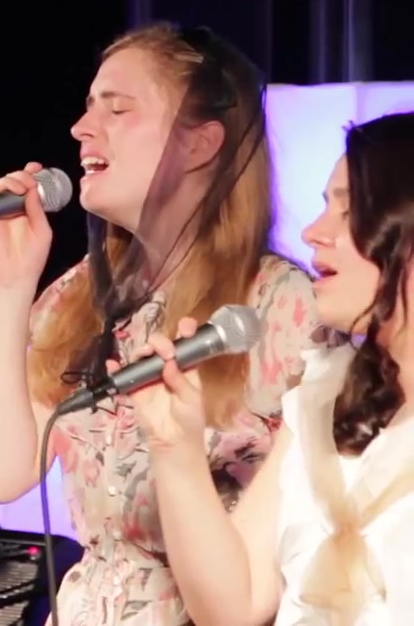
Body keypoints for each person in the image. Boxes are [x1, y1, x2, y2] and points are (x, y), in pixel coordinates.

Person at [0, 22, 342, 624]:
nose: (81, 128)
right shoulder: (76, 298)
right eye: (89, 106)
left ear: (200, 144)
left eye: (117, 110)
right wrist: (10, 288)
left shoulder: (279, 306)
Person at [133, 111, 414, 624]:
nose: (313, 233)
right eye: (323, 207)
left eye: (349, 211)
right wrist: (175, 447)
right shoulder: (322, 395)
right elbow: (233, 605)